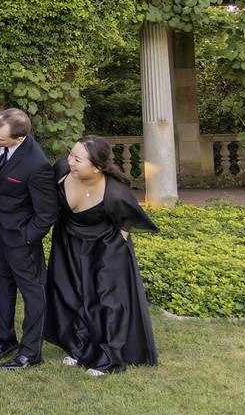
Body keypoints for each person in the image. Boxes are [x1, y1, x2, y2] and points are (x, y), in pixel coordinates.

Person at [46, 135, 158, 376]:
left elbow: (127, 222)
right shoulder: (63, 170)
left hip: (105, 245)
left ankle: (108, 358)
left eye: (77, 159)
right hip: (68, 242)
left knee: (107, 300)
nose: (70, 161)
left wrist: (114, 254)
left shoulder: (115, 192)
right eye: (70, 155)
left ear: (97, 168)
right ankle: (79, 347)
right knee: (70, 292)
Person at [0, 108, 58, 369]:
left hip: (21, 239)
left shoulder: (37, 165)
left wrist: (27, 237)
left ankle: (31, 351)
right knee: (1, 286)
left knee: (33, 293)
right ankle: (4, 338)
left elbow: (47, 212)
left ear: (19, 138)